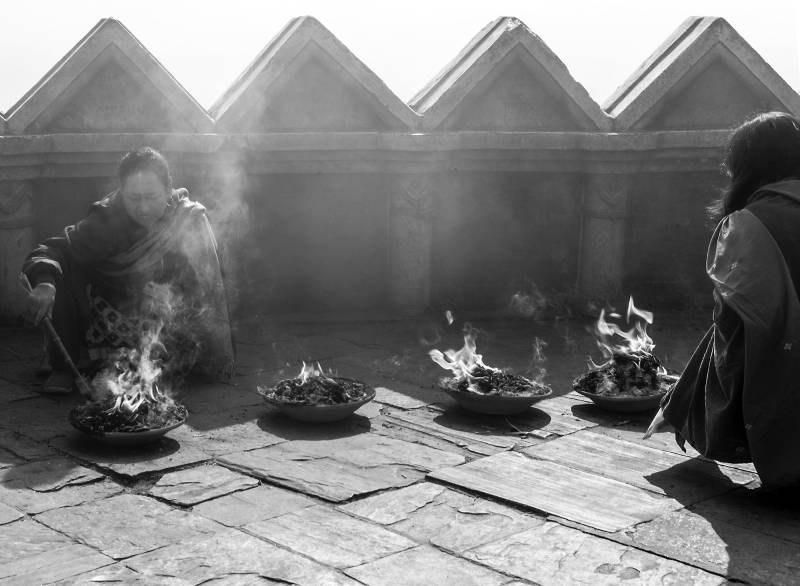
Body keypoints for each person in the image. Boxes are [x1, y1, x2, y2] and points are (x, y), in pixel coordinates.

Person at [647, 111, 800, 489]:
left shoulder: (750, 223)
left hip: (786, 357)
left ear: (748, 166)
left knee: (729, 335)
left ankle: (686, 418)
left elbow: (737, 321)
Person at [24, 147, 235, 393]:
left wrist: (172, 292)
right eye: (134, 199)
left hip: (170, 319)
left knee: (182, 345)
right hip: (109, 319)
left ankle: (174, 362)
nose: (143, 208)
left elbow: (209, 283)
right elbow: (52, 250)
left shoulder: (188, 218)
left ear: (168, 190)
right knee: (64, 271)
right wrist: (45, 282)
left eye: (151, 197)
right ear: (121, 193)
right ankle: (67, 366)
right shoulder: (106, 221)